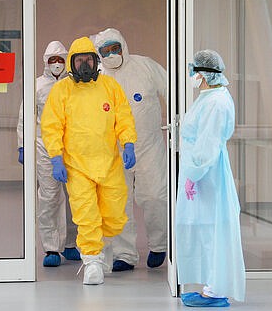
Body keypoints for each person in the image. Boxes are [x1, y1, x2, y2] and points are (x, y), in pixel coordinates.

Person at [41, 36, 137, 285]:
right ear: (71, 64)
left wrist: (128, 143)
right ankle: (92, 260)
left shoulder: (110, 87)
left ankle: (101, 247)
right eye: (79, 60)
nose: (84, 65)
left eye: (89, 60)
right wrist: (56, 158)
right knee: (86, 214)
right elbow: (51, 126)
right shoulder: (62, 90)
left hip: (109, 163)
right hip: (77, 165)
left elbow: (124, 116)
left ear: (96, 62)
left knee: (115, 214)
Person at [93, 28, 167, 271]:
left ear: (123, 44)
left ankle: (160, 244)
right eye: (106, 51)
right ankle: (124, 254)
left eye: (116, 47)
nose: (112, 54)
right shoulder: (98, 75)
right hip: (113, 149)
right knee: (118, 202)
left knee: (155, 195)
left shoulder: (145, 66)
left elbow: (172, 91)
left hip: (148, 145)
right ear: (99, 54)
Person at [176, 49, 245, 307]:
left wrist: (194, 175)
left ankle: (216, 291)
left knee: (213, 230)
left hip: (208, 175)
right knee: (205, 229)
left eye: (194, 70)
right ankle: (210, 286)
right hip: (204, 174)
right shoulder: (209, 97)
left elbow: (208, 143)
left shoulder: (216, 102)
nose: (192, 74)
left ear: (203, 74)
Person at [16, 40, 80, 267]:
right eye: (52, 60)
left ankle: (71, 244)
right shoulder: (36, 86)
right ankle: (51, 247)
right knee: (49, 197)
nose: (56, 64)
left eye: (60, 60)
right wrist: (23, 145)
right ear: (45, 62)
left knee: (76, 197)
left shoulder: (74, 85)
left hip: (72, 146)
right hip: (44, 146)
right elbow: (26, 117)